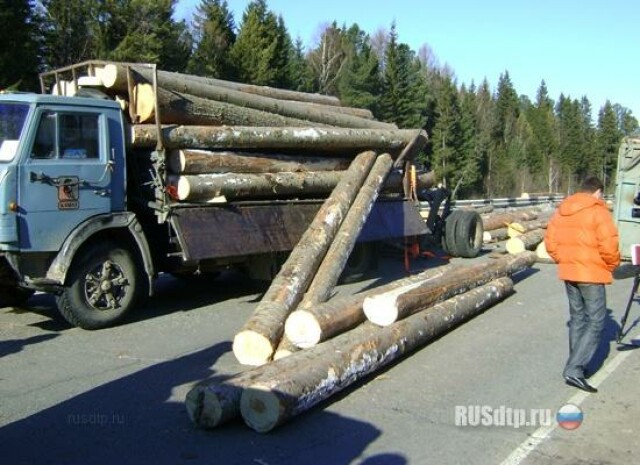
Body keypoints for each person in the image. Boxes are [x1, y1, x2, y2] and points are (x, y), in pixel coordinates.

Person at [544, 176, 620, 393]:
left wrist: (564, 258)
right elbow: (609, 244)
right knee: (596, 321)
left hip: (569, 271)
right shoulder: (598, 211)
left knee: (578, 318)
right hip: (591, 273)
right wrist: (612, 264)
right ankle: (575, 368)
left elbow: (551, 241)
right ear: (597, 192)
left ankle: (577, 363)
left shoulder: (563, 210)